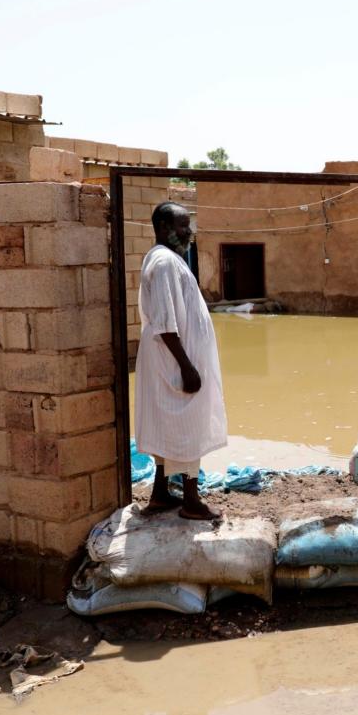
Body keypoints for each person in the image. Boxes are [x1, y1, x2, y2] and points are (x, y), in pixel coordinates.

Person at [134, 201, 226, 520]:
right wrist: (188, 367)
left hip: (168, 359)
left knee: (169, 426)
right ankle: (191, 500)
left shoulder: (167, 260)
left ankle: (160, 493)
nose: (189, 232)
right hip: (173, 362)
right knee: (188, 427)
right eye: (183, 226)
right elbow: (165, 322)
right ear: (162, 228)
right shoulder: (164, 264)